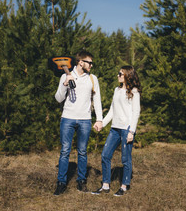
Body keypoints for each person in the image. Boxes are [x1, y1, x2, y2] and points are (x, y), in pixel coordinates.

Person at [53, 51, 103, 195]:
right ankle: (61, 183)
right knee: (65, 151)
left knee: (82, 152)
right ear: (81, 62)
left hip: (85, 120)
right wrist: (65, 84)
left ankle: (81, 181)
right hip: (67, 119)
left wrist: (99, 119)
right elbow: (58, 98)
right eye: (89, 62)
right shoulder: (65, 75)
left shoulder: (93, 79)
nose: (91, 65)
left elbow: (97, 100)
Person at [92, 66, 141, 196]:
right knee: (105, 155)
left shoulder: (134, 92)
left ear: (127, 76)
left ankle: (124, 186)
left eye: (120, 74)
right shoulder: (117, 90)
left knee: (125, 159)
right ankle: (105, 185)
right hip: (114, 129)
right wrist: (102, 123)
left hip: (126, 130)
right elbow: (112, 111)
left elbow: (136, 113)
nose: (118, 75)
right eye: (118, 73)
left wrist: (132, 131)